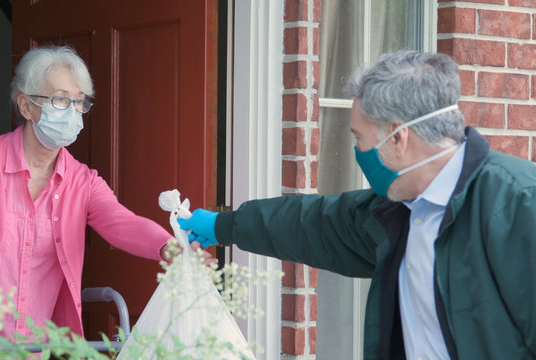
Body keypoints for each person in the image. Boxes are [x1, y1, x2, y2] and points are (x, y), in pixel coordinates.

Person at [179, 50, 536, 360]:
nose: (358, 153)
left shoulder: (519, 205)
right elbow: (311, 223)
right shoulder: (397, 211)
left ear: (398, 137)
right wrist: (221, 226)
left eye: (359, 138)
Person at [0, 46, 214, 340]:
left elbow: (123, 222)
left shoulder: (83, 182)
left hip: (37, 349)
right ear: (26, 106)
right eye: (61, 100)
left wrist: (169, 247)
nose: (73, 113)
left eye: (79, 103)